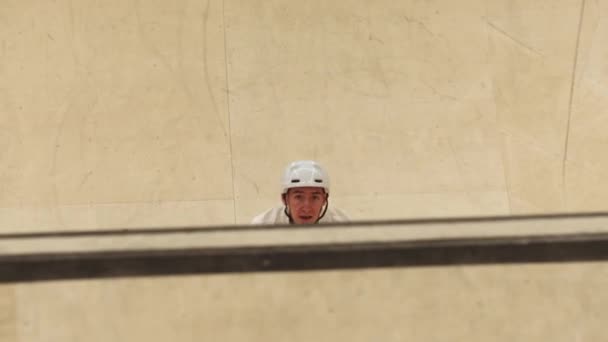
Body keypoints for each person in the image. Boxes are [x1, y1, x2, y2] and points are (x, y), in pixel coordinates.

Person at [251, 160, 349, 224]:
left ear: (324, 199)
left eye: (314, 197)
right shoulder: (263, 226)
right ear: (285, 199)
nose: (306, 207)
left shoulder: (341, 226)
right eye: (298, 197)